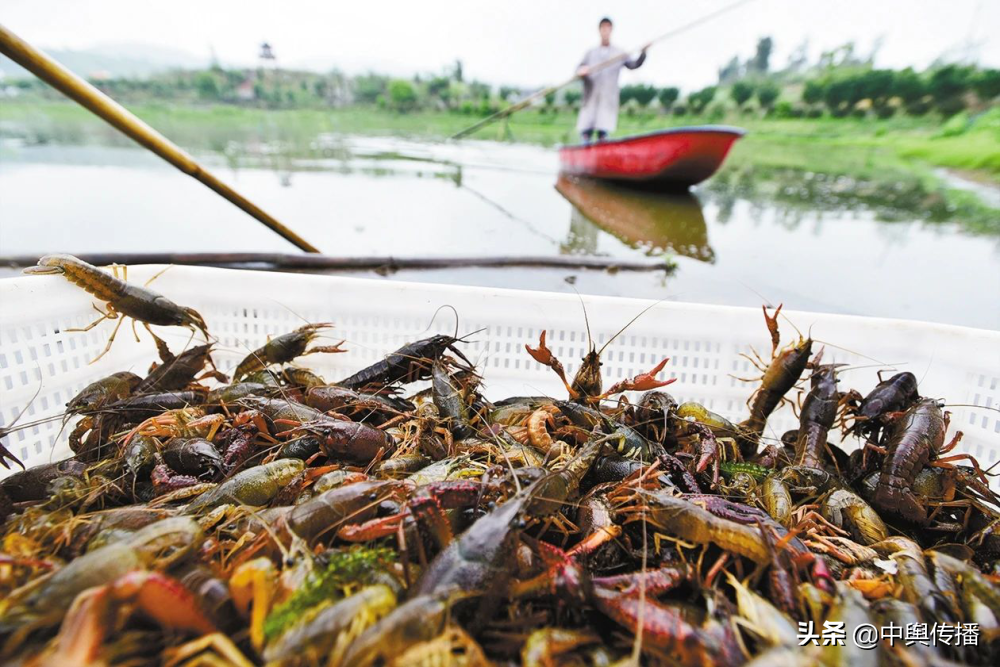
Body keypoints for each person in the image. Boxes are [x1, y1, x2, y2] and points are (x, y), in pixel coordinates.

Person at [575, 17, 649, 143]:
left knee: (603, 135)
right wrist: (582, 71)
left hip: (607, 100)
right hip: (591, 99)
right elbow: (578, 70)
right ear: (599, 30)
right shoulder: (591, 53)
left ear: (611, 30)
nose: (605, 31)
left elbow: (634, 65)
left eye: (608, 28)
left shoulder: (619, 53)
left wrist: (643, 53)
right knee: (586, 134)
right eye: (603, 28)